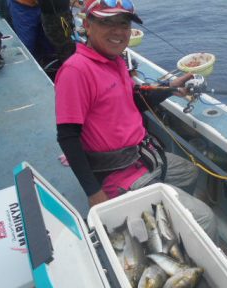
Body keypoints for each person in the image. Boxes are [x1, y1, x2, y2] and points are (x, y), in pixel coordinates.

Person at [54, 0, 217, 240]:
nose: (118, 31)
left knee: (189, 172)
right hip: (118, 175)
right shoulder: (76, 71)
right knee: (205, 218)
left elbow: (135, 100)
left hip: (143, 157)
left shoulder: (115, 60)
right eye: (106, 22)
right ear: (87, 25)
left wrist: (169, 88)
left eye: (123, 23)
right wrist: (94, 193)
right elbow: (67, 136)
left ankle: (170, 231)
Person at [38, 0, 76, 65]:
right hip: (56, 18)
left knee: (69, 45)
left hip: (62, 15)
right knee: (65, 48)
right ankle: (69, 69)